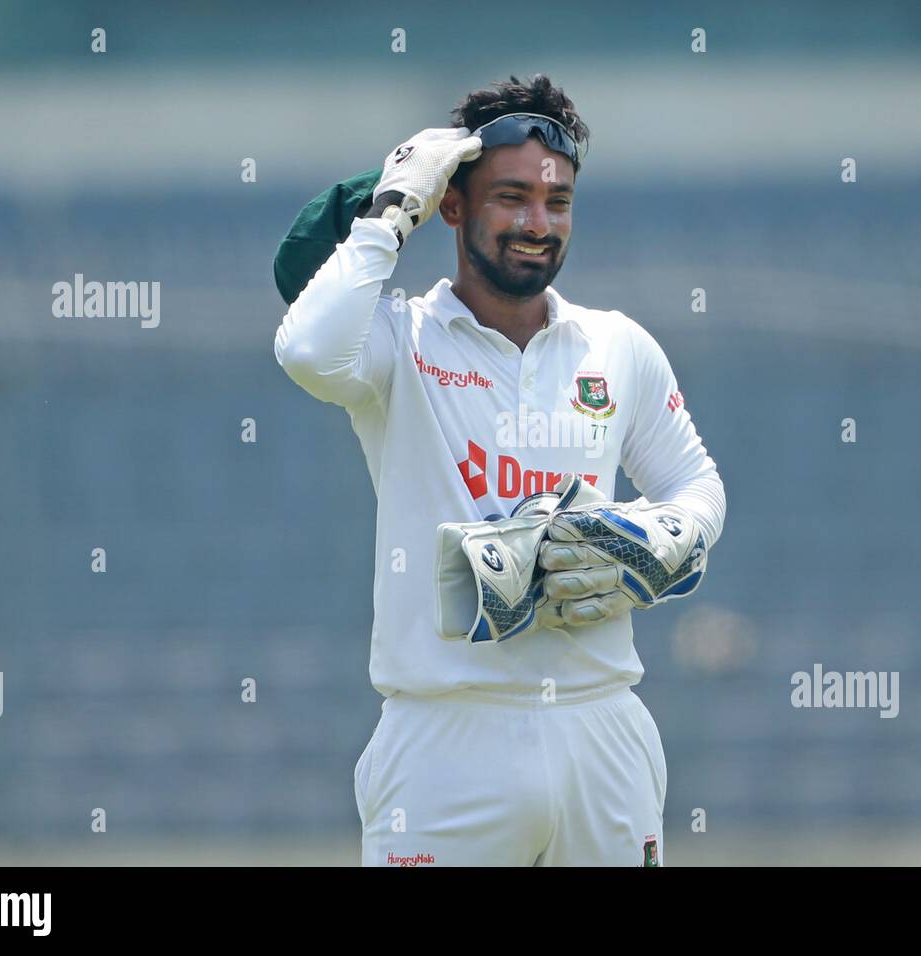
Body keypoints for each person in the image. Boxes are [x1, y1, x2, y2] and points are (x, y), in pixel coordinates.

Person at [273, 74, 726, 866]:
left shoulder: (615, 345)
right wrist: (389, 210)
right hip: (447, 736)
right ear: (452, 205)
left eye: (557, 202)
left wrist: (654, 536)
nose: (536, 223)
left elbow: (697, 484)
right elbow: (307, 348)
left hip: (602, 728)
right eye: (510, 197)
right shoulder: (399, 341)